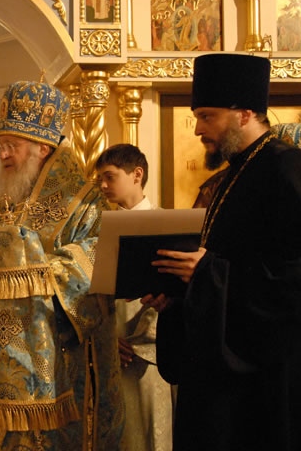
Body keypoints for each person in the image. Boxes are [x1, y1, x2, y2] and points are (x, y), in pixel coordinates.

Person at [0, 81, 124, 450]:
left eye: (10, 146)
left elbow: (98, 264)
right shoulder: (4, 205)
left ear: (41, 148)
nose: (2, 155)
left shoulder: (85, 204)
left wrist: (28, 269)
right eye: (0, 146)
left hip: (58, 367)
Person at [148, 53, 301, 451]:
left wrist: (207, 275)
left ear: (245, 113)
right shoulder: (236, 171)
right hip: (222, 369)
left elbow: (300, 276)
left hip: (264, 379)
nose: (198, 129)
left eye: (207, 116)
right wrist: (180, 295)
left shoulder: (288, 167)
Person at [96, 144, 172, 451]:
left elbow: (179, 289)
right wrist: (106, 340)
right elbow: (90, 293)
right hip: (110, 350)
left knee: (155, 435)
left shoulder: (169, 223)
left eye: (110, 177)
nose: (103, 185)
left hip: (155, 353)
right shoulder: (96, 228)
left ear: (137, 174)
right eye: (100, 179)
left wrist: (145, 340)